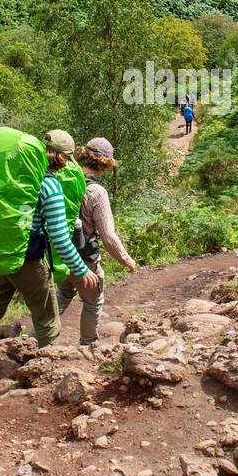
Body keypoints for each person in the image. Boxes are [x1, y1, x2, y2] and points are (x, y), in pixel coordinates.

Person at [0, 129, 99, 348]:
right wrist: (81, 269)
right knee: (47, 315)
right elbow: (59, 238)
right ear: (62, 158)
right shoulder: (50, 186)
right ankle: (46, 367)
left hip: (5, 247)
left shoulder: (17, 177)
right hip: (27, 258)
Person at [56, 137, 138, 345]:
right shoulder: (97, 192)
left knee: (63, 293)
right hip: (84, 257)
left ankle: (36, 337)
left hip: (59, 252)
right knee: (93, 302)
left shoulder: (63, 179)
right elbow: (108, 235)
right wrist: (126, 260)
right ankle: (88, 344)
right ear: (105, 164)